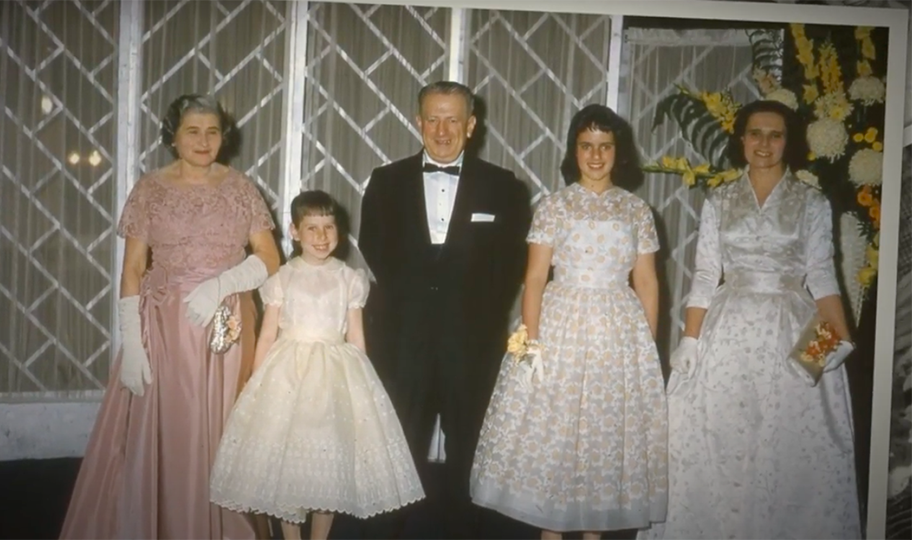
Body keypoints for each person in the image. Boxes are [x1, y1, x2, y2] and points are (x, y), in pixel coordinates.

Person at [58, 94, 279, 540]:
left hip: (228, 325)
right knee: (170, 436)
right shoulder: (150, 189)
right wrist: (132, 344)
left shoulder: (240, 187)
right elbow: (133, 269)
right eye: (193, 131)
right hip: (164, 328)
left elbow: (270, 258)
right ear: (173, 137)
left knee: (221, 432)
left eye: (213, 131)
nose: (204, 140)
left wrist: (222, 285)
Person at [638, 100, 861, 540]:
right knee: (720, 445)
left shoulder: (811, 202)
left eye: (775, 135)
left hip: (790, 326)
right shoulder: (721, 199)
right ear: (740, 140)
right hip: (728, 330)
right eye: (755, 134)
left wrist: (836, 340)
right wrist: (690, 341)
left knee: (788, 450)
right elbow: (704, 274)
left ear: (788, 142)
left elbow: (822, 276)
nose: (764, 143)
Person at [469, 104, 668, 540]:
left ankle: (593, 530)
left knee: (599, 440)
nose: (595, 156)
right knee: (556, 439)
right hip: (561, 329)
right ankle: (550, 531)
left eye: (605, 146)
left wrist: (646, 348)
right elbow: (536, 278)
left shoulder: (636, 210)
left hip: (616, 332)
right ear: (573, 151)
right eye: (586, 146)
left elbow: (648, 282)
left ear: (619, 152)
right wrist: (532, 342)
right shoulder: (554, 206)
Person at [358, 80, 532, 539]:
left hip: (469, 346)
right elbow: (373, 246)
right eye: (432, 118)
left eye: (452, 118)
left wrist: (470, 316)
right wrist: (418, 304)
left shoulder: (504, 187)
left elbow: (511, 263)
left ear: (471, 125)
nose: (441, 129)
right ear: (418, 121)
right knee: (395, 455)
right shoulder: (385, 181)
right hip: (403, 343)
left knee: (470, 459)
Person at [210, 190, 425, 540]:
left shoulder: (349, 279)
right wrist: (256, 379)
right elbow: (267, 335)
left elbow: (356, 337)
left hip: (334, 376)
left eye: (329, 227)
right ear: (294, 232)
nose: (322, 237)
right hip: (288, 374)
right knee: (289, 470)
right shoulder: (283, 277)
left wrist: (364, 385)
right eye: (312, 228)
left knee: (327, 471)